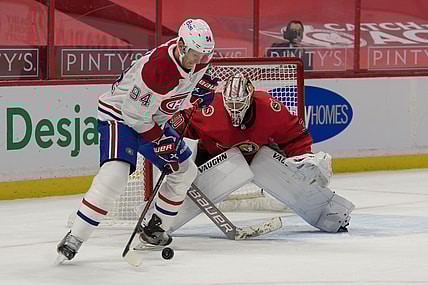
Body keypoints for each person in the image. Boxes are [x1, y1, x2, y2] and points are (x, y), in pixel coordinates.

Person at [56, 18, 218, 263]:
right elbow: (134, 115)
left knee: (184, 170)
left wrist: (201, 91)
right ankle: (75, 237)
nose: (200, 61)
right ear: (182, 46)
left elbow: (182, 91)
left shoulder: (197, 58)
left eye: (205, 56)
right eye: (195, 55)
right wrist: (159, 140)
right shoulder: (158, 69)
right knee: (115, 176)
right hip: (120, 117)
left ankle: (154, 229)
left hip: (152, 119)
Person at [163, 73, 354, 234]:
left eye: (239, 104)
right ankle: (157, 222)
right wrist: (165, 144)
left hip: (258, 156)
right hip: (213, 158)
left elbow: (295, 136)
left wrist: (302, 157)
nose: (235, 109)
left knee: (267, 162)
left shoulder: (270, 108)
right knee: (218, 170)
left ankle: (333, 214)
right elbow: (175, 125)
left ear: (250, 97)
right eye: (231, 104)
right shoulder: (210, 110)